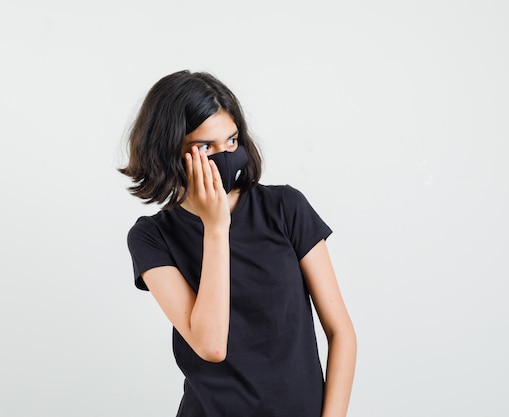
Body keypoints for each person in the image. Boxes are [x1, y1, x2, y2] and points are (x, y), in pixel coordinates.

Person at [119, 70, 356, 417]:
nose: (225, 154)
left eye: (231, 141)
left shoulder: (286, 208)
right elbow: (211, 346)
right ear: (169, 151)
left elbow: (341, 333)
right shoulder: (152, 237)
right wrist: (216, 228)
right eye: (204, 147)